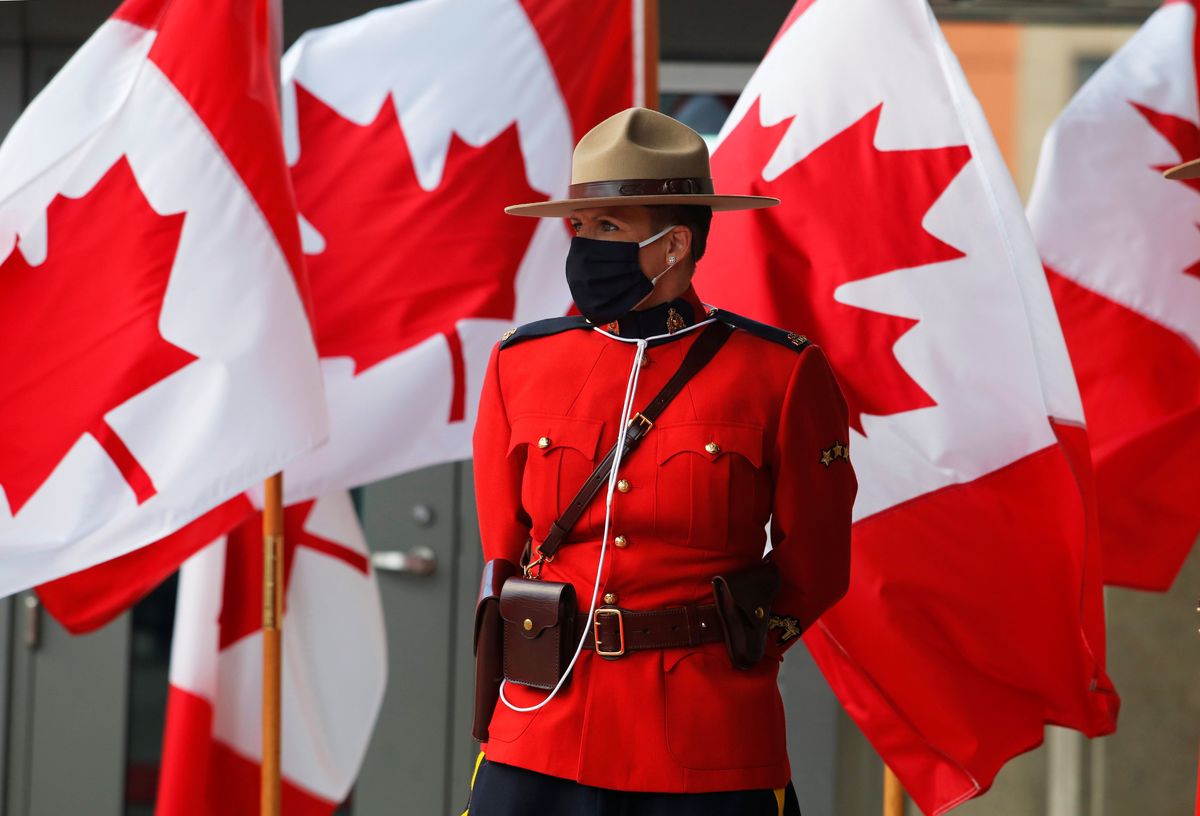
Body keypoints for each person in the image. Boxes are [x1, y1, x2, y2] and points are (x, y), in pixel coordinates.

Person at [465, 107, 856, 816]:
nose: (585, 248)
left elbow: (818, 564)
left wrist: (738, 650)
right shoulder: (519, 365)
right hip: (543, 727)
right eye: (579, 228)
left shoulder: (779, 374)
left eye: (609, 230)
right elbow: (505, 549)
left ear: (674, 244)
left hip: (706, 736)